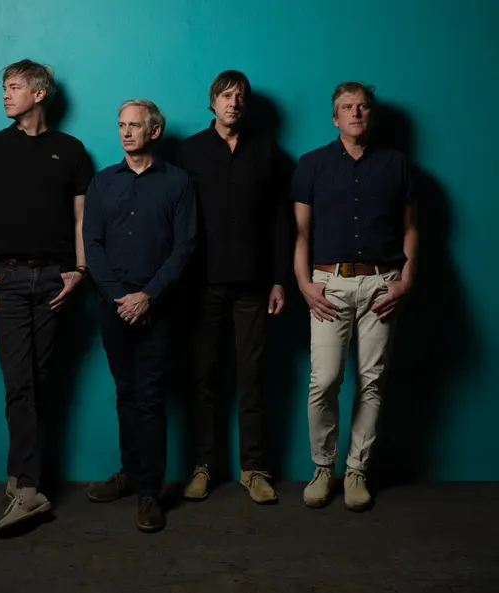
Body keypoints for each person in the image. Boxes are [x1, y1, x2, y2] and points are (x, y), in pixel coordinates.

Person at [0, 59, 94, 534]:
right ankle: (32, 489)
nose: (5, 94)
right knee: (20, 382)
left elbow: (82, 219)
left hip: (55, 282)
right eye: (4, 87)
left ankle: (20, 474)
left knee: (38, 381)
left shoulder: (71, 150)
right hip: (8, 281)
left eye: (13, 87)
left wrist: (80, 271)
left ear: (39, 94)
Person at [292, 82, 418, 511]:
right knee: (324, 380)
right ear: (335, 118)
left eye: (363, 106)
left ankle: (357, 470)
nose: (356, 113)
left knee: (372, 381)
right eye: (347, 107)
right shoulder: (312, 164)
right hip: (329, 284)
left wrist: (405, 280)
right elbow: (301, 232)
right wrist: (304, 284)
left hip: (382, 283)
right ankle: (322, 466)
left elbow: (410, 228)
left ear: (371, 114)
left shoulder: (397, 164)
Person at [83, 99, 196, 533]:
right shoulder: (102, 182)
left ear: (155, 131)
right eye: (121, 125)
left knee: (149, 397)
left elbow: (185, 247)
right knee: (125, 393)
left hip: (158, 309)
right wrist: (120, 298)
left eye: (134, 125)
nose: (126, 132)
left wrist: (148, 296)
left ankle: (149, 489)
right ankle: (130, 474)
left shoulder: (178, 183)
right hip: (113, 307)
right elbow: (92, 244)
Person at [178, 70, 289, 504]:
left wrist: (279, 279)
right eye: (226, 95)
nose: (233, 102)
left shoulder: (267, 150)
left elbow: (280, 220)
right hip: (201, 283)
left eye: (240, 96)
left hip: (253, 283)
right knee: (203, 376)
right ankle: (203, 465)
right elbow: (177, 218)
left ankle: (253, 468)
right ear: (213, 102)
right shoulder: (190, 151)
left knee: (252, 375)